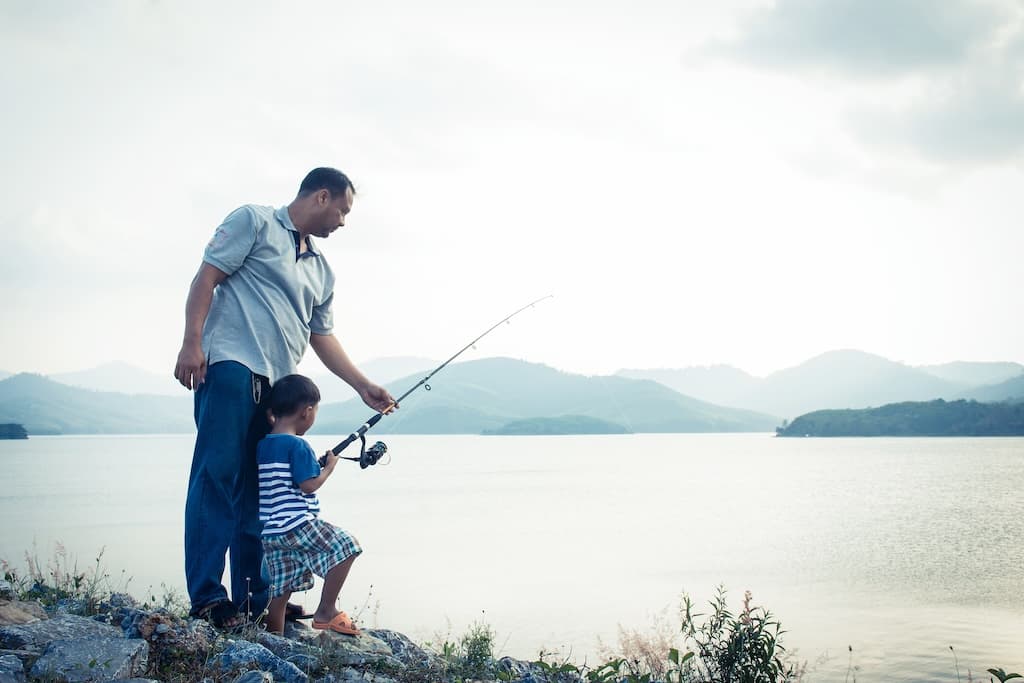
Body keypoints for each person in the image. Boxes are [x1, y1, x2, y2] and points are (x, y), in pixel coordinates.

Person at [173, 168, 395, 629]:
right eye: (343, 211)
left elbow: (321, 336)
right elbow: (206, 277)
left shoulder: (322, 270)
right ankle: (209, 599)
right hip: (230, 367)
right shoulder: (254, 222)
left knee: (262, 495)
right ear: (322, 197)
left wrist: (362, 385)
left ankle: (256, 599)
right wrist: (192, 343)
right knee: (217, 480)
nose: (343, 222)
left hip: (278, 390)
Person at [258, 374, 362, 635]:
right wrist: (328, 469)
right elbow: (308, 485)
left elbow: (286, 477)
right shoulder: (299, 445)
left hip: (271, 531)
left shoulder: (263, 445)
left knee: (281, 589)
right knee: (348, 546)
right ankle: (326, 610)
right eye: (315, 411)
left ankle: (274, 638)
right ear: (306, 411)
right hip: (296, 524)